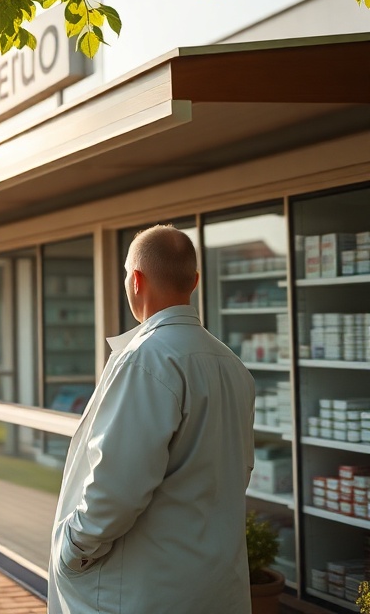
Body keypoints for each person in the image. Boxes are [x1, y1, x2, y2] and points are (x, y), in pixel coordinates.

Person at [48, 225, 256, 614]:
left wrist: (72, 550)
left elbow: (116, 484)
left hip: (146, 589)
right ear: (194, 282)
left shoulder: (146, 360)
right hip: (212, 584)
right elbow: (238, 472)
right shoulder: (231, 364)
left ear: (136, 280)